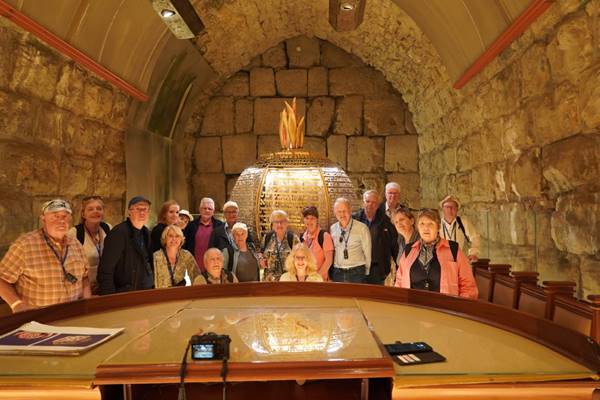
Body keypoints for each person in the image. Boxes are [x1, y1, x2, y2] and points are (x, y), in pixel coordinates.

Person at [0, 199, 91, 312]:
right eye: (55, 216)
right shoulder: (24, 245)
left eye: (65, 216)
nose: (61, 220)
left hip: (71, 314)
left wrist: (88, 306)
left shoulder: (76, 244)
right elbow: (2, 279)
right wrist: (16, 304)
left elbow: (84, 277)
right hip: (37, 317)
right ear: (43, 219)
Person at [395, 208, 478, 299]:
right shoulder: (408, 250)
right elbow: (399, 282)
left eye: (430, 223)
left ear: (438, 227)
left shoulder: (453, 250)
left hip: (444, 306)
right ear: (418, 227)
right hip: (412, 305)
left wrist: (458, 305)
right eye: (422, 224)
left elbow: (468, 286)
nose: (426, 228)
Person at [98, 196, 154, 294]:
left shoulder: (147, 234)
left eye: (145, 209)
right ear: (129, 212)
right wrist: (109, 297)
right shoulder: (118, 233)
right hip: (125, 293)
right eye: (138, 209)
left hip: (145, 291)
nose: (142, 212)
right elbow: (106, 269)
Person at [353, 190, 398, 285]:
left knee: (375, 294)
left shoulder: (386, 221)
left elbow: (394, 245)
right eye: (367, 201)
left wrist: (398, 267)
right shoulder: (354, 220)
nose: (370, 204)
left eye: (374, 202)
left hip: (377, 269)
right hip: (358, 267)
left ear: (378, 205)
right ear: (363, 202)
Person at [68, 196, 111, 294]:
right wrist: (78, 286)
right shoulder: (74, 233)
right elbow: (67, 267)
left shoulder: (108, 228)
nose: (95, 211)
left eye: (99, 208)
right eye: (90, 209)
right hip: (83, 290)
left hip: (103, 287)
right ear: (83, 214)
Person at [330, 198, 371, 283]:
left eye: (344, 211)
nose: (342, 214)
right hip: (338, 272)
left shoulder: (362, 228)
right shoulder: (333, 228)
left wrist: (366, 271)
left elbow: (367, 252)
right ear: (335, 213)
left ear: (350, 210)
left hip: (357, 273)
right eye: (339, 211)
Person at [209, 201, 255, 272]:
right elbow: (211, 251)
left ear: (237, 213)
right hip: (223, 269)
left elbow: (251, 247)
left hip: (241, 268)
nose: (231, 214)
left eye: (234, 212)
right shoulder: (217, 232)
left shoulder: (245, 229)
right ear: (224, 214)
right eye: (228, 212)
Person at [184, 198, 224, 273]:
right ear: (200, 210)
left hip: (213, 268)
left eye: (210, 209)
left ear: (213, 211)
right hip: (193, 268)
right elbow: (185, 246)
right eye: (204, 208)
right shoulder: (191, 226)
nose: (207, 210)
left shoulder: (220, 226)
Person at [259, 210, 300, 282]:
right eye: (276, 222)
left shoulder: (293, 238)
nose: (279, 224)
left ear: (287, 223)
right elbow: (261, 252)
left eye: (282, 221)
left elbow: (300, 256)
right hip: (269, 281)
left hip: (288, 280)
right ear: (272, 224)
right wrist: (261, 259)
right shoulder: (267, 237)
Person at [439, 195, 480, 262]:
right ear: (443, 209)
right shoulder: (437, 224)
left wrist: (473, 253)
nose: (450, 209)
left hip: (459, 260)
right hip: (441, 261)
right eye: (447, 207)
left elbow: (475, 237)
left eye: (453, 207)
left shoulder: (463, 222)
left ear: (457, 209)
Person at [300, 206, 334, 281]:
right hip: (305, 280)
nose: (309, 221)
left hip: (320, 281)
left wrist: (316, 278)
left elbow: (329, 261)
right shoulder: (302, 238)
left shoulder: (324, 236)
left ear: (317, 220)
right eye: (307, 218)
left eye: (312, 218)